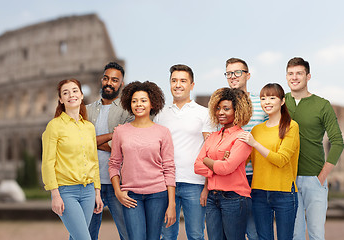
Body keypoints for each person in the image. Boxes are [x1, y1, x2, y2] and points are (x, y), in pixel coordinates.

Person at [284, 57, 344, 240]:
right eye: (290, 73)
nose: (294, 77)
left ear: (308, 76)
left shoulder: (322, 105)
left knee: (316, 234)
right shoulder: (279, 101)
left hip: (314, 178)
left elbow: (338, 142)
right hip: (287, 179)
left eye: (299, 73)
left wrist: (322, 176)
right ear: (286, 76)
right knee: (295, 235)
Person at [108, 81, 176, 240]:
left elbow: (169, 168)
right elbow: (114, 164)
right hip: (130, 195)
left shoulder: (163, 132)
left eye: (143, 100)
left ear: (152, 103)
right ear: (129, 103)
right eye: (134, 101)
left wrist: (171, 203)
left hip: (158, 195)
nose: (139, 104)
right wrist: (118, 191)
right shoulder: (120, 131)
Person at [154, 64, 214, 240]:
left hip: (194, 183)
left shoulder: (204, 114)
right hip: (165, 184)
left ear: (192, 85)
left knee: (195, 235)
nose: (178, 85)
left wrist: (206, 186)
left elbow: (209, 151)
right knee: (167, 235)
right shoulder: (160, 114)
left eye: (183, 81)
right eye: (174, 80)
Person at [42, 79, 104, 240]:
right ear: (61, 100)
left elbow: (94, 161)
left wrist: (97, 192)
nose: (71, 95)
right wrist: (55, 194)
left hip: (89, 191)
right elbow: (48, 162)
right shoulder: (54, 126)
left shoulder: (89, 127)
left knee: (76, 237)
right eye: (65, 92)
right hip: (66, 192)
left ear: (82, 95)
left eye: (75, 91)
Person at [239, 83, 300, 240]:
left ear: (282, 101)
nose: (267, 102)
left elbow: (281, 159)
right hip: (258, 192)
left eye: (272, 98)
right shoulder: (256, 130)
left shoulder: (291, 126)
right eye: (263, 98)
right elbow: (245, 161)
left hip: (284, 193)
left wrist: (255, 144)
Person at [194, 87, 253, 240]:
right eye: (218, 108)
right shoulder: (213, 136)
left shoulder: (242, 137)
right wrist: (218, 165)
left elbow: (226, 168)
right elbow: (197, 166)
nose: (220, 112)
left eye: (226, 109)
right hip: (213, 198)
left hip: (234, 198)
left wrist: (208, 161)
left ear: (237, 111)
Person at [86, 62, 132, 240]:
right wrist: (114, 134)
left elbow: (123, 146)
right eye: (106, 78)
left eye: (114, 80)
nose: (109, 83)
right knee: (86, 235)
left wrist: (91, 142)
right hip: (90, 182)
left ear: (121, 84)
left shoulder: (128, 111)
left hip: (118, 184)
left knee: (128, 234)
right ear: (101, 80)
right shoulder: (86, 110)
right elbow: (79, 143)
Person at [224, 57, 268, 240]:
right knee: (233, 232)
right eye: (228, 73)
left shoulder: (262, 103)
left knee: (255, 231)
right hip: (231, 176)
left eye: (237, 72)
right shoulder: (223, 106)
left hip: (256, 176)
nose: (232, 76)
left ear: (248, 75)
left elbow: (270, 134)